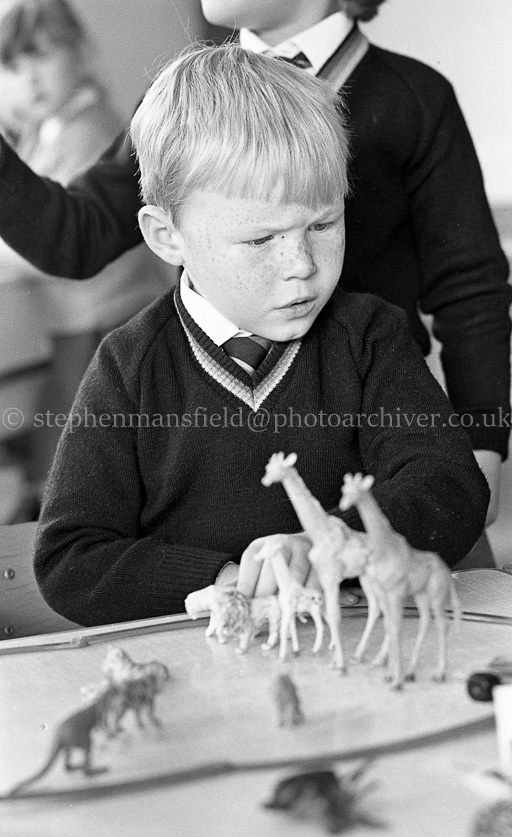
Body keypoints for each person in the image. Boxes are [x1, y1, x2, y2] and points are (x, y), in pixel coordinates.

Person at [0, 0, 508, 553]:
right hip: (222, 434)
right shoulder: (185, 107)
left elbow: (469, 286)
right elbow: (76, 237)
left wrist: (483, 443)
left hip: (384, 437)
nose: (299, 263)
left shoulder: (413, 95)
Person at [0, 0, 171, 520]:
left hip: (110, 319)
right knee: (58, 441)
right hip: (77, 326)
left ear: (80, 51)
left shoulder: (88, 128)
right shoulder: (42, 134)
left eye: (44, 56)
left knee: (70, 447)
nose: (31, 79)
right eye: (12, 66)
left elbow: (44, 240)